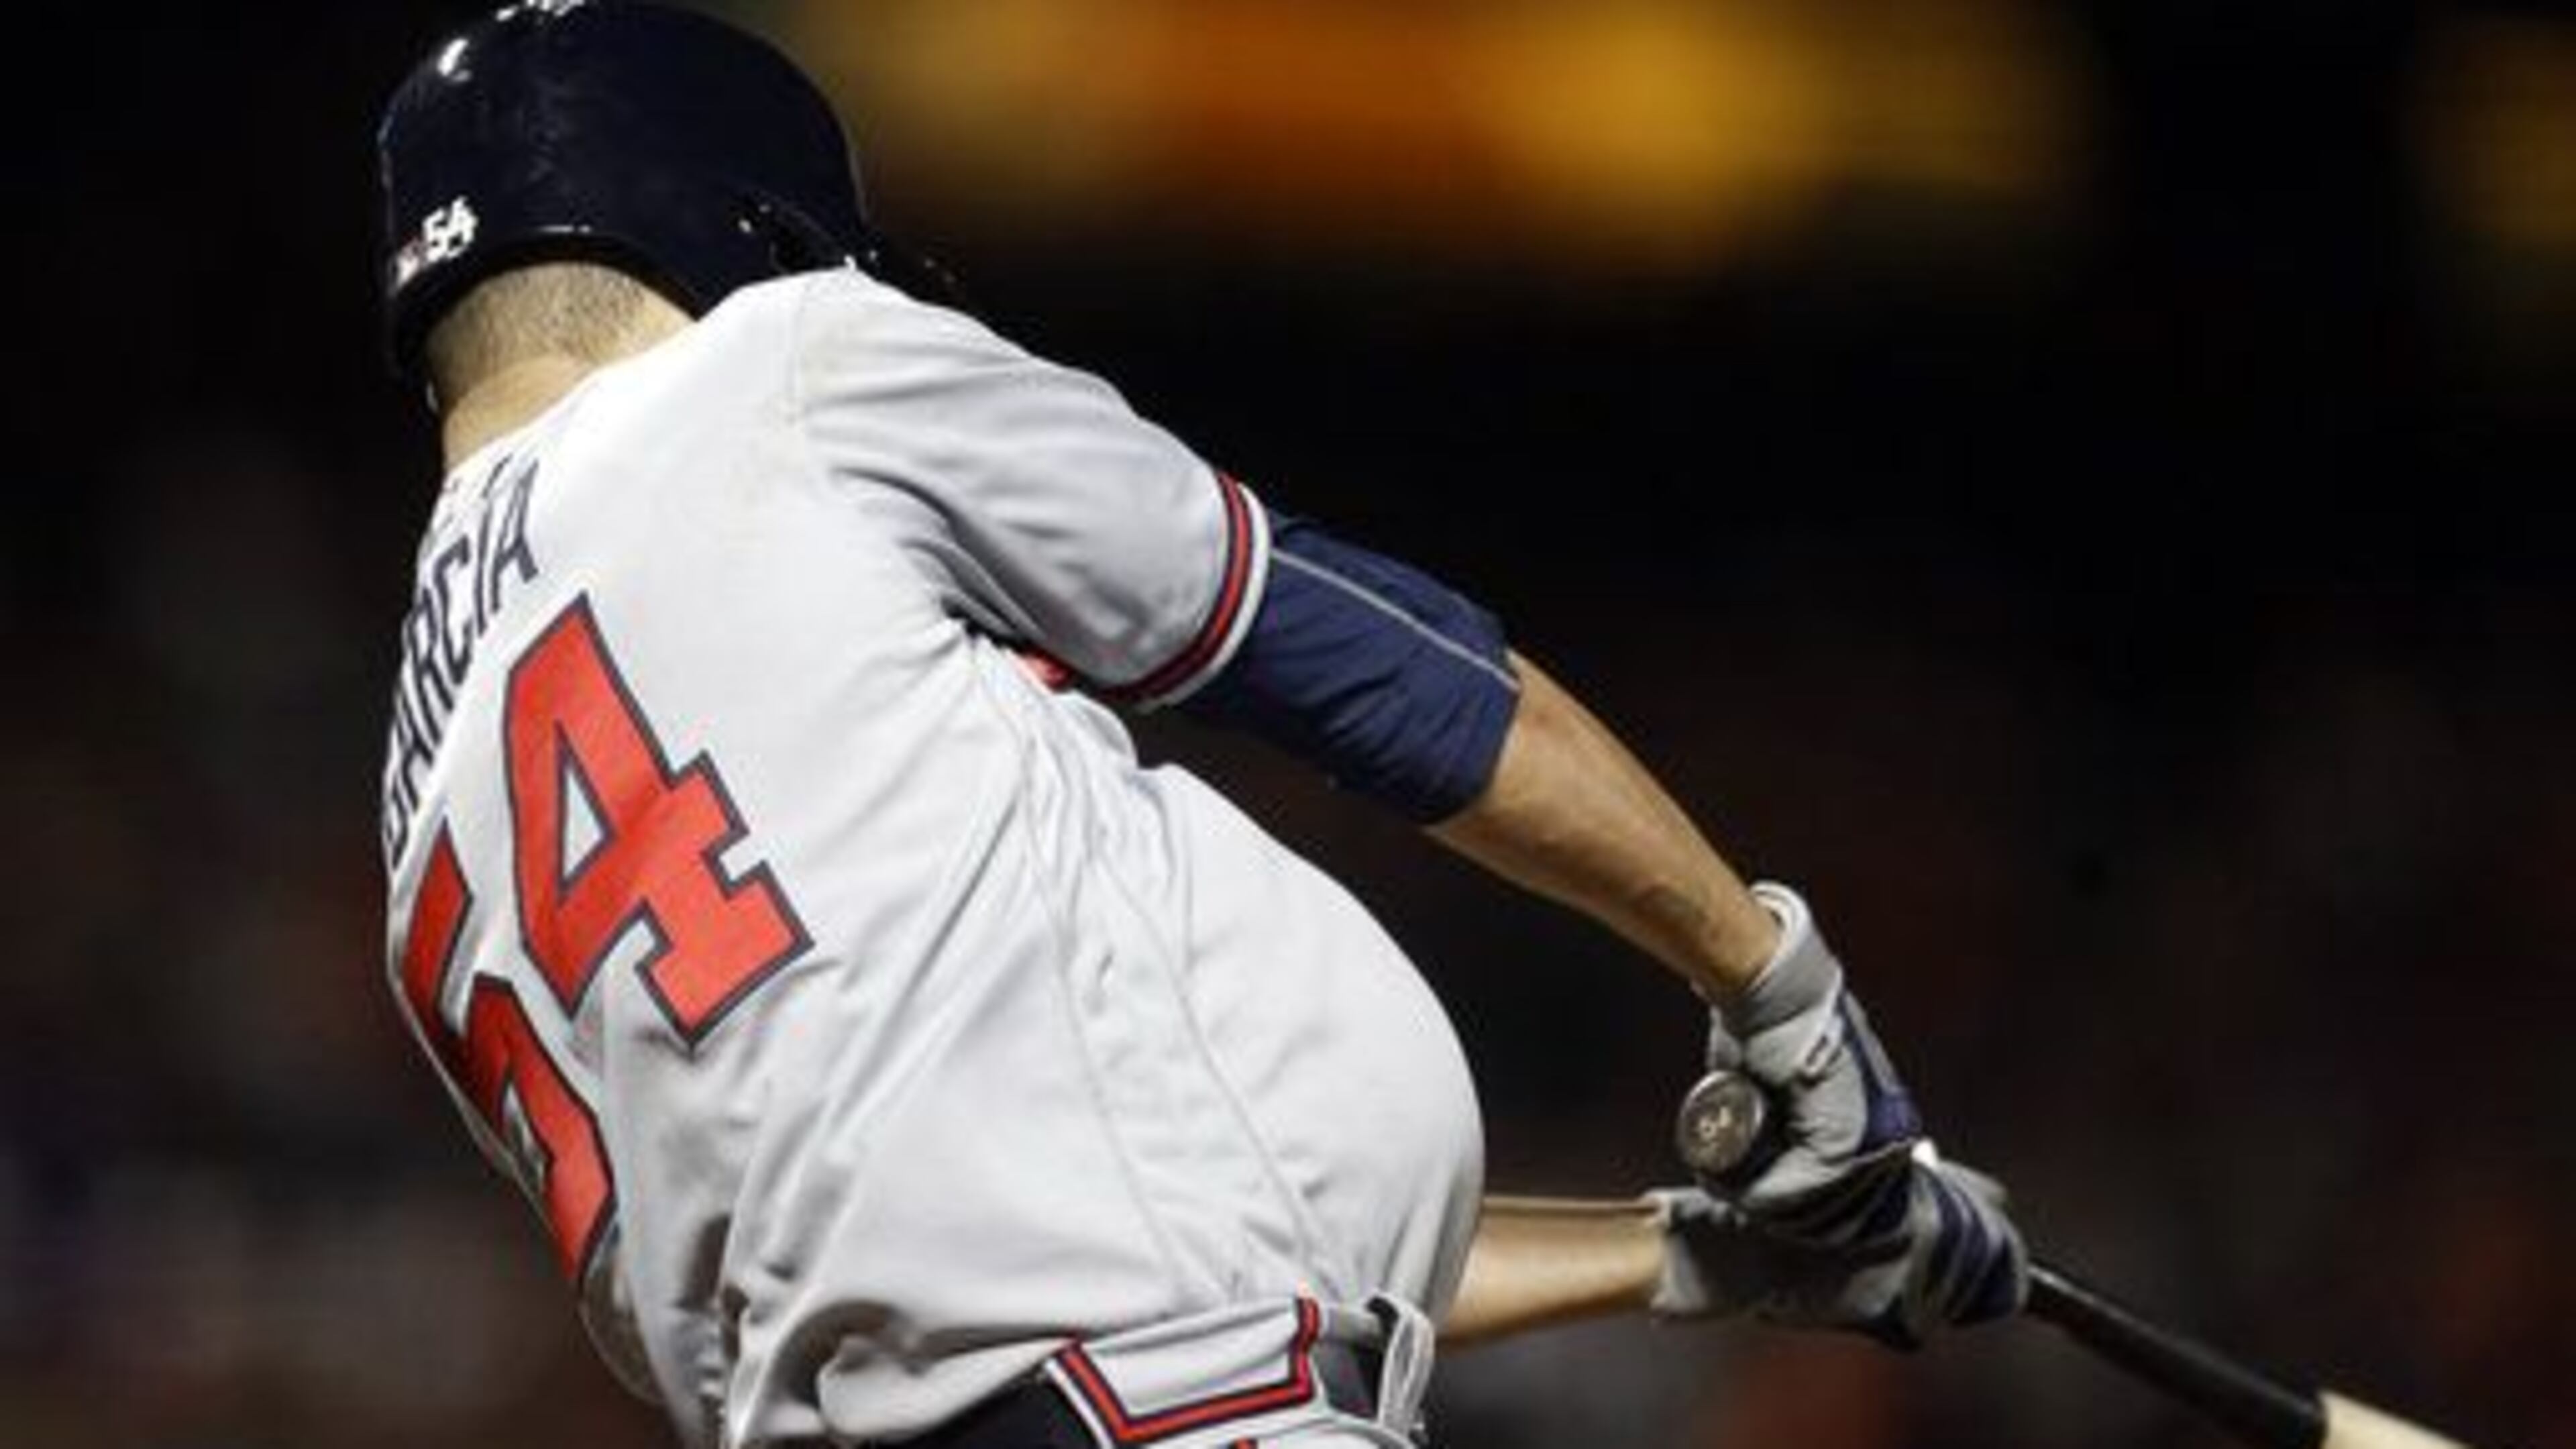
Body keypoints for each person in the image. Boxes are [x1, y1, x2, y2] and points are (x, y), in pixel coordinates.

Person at [369, 3, 2027, 1446]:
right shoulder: (779, 376)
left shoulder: (430, 810)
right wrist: (1778, 991)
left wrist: (1703, 1254)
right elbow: (1384, 668)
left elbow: (1066, 1242)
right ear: (751, 233)